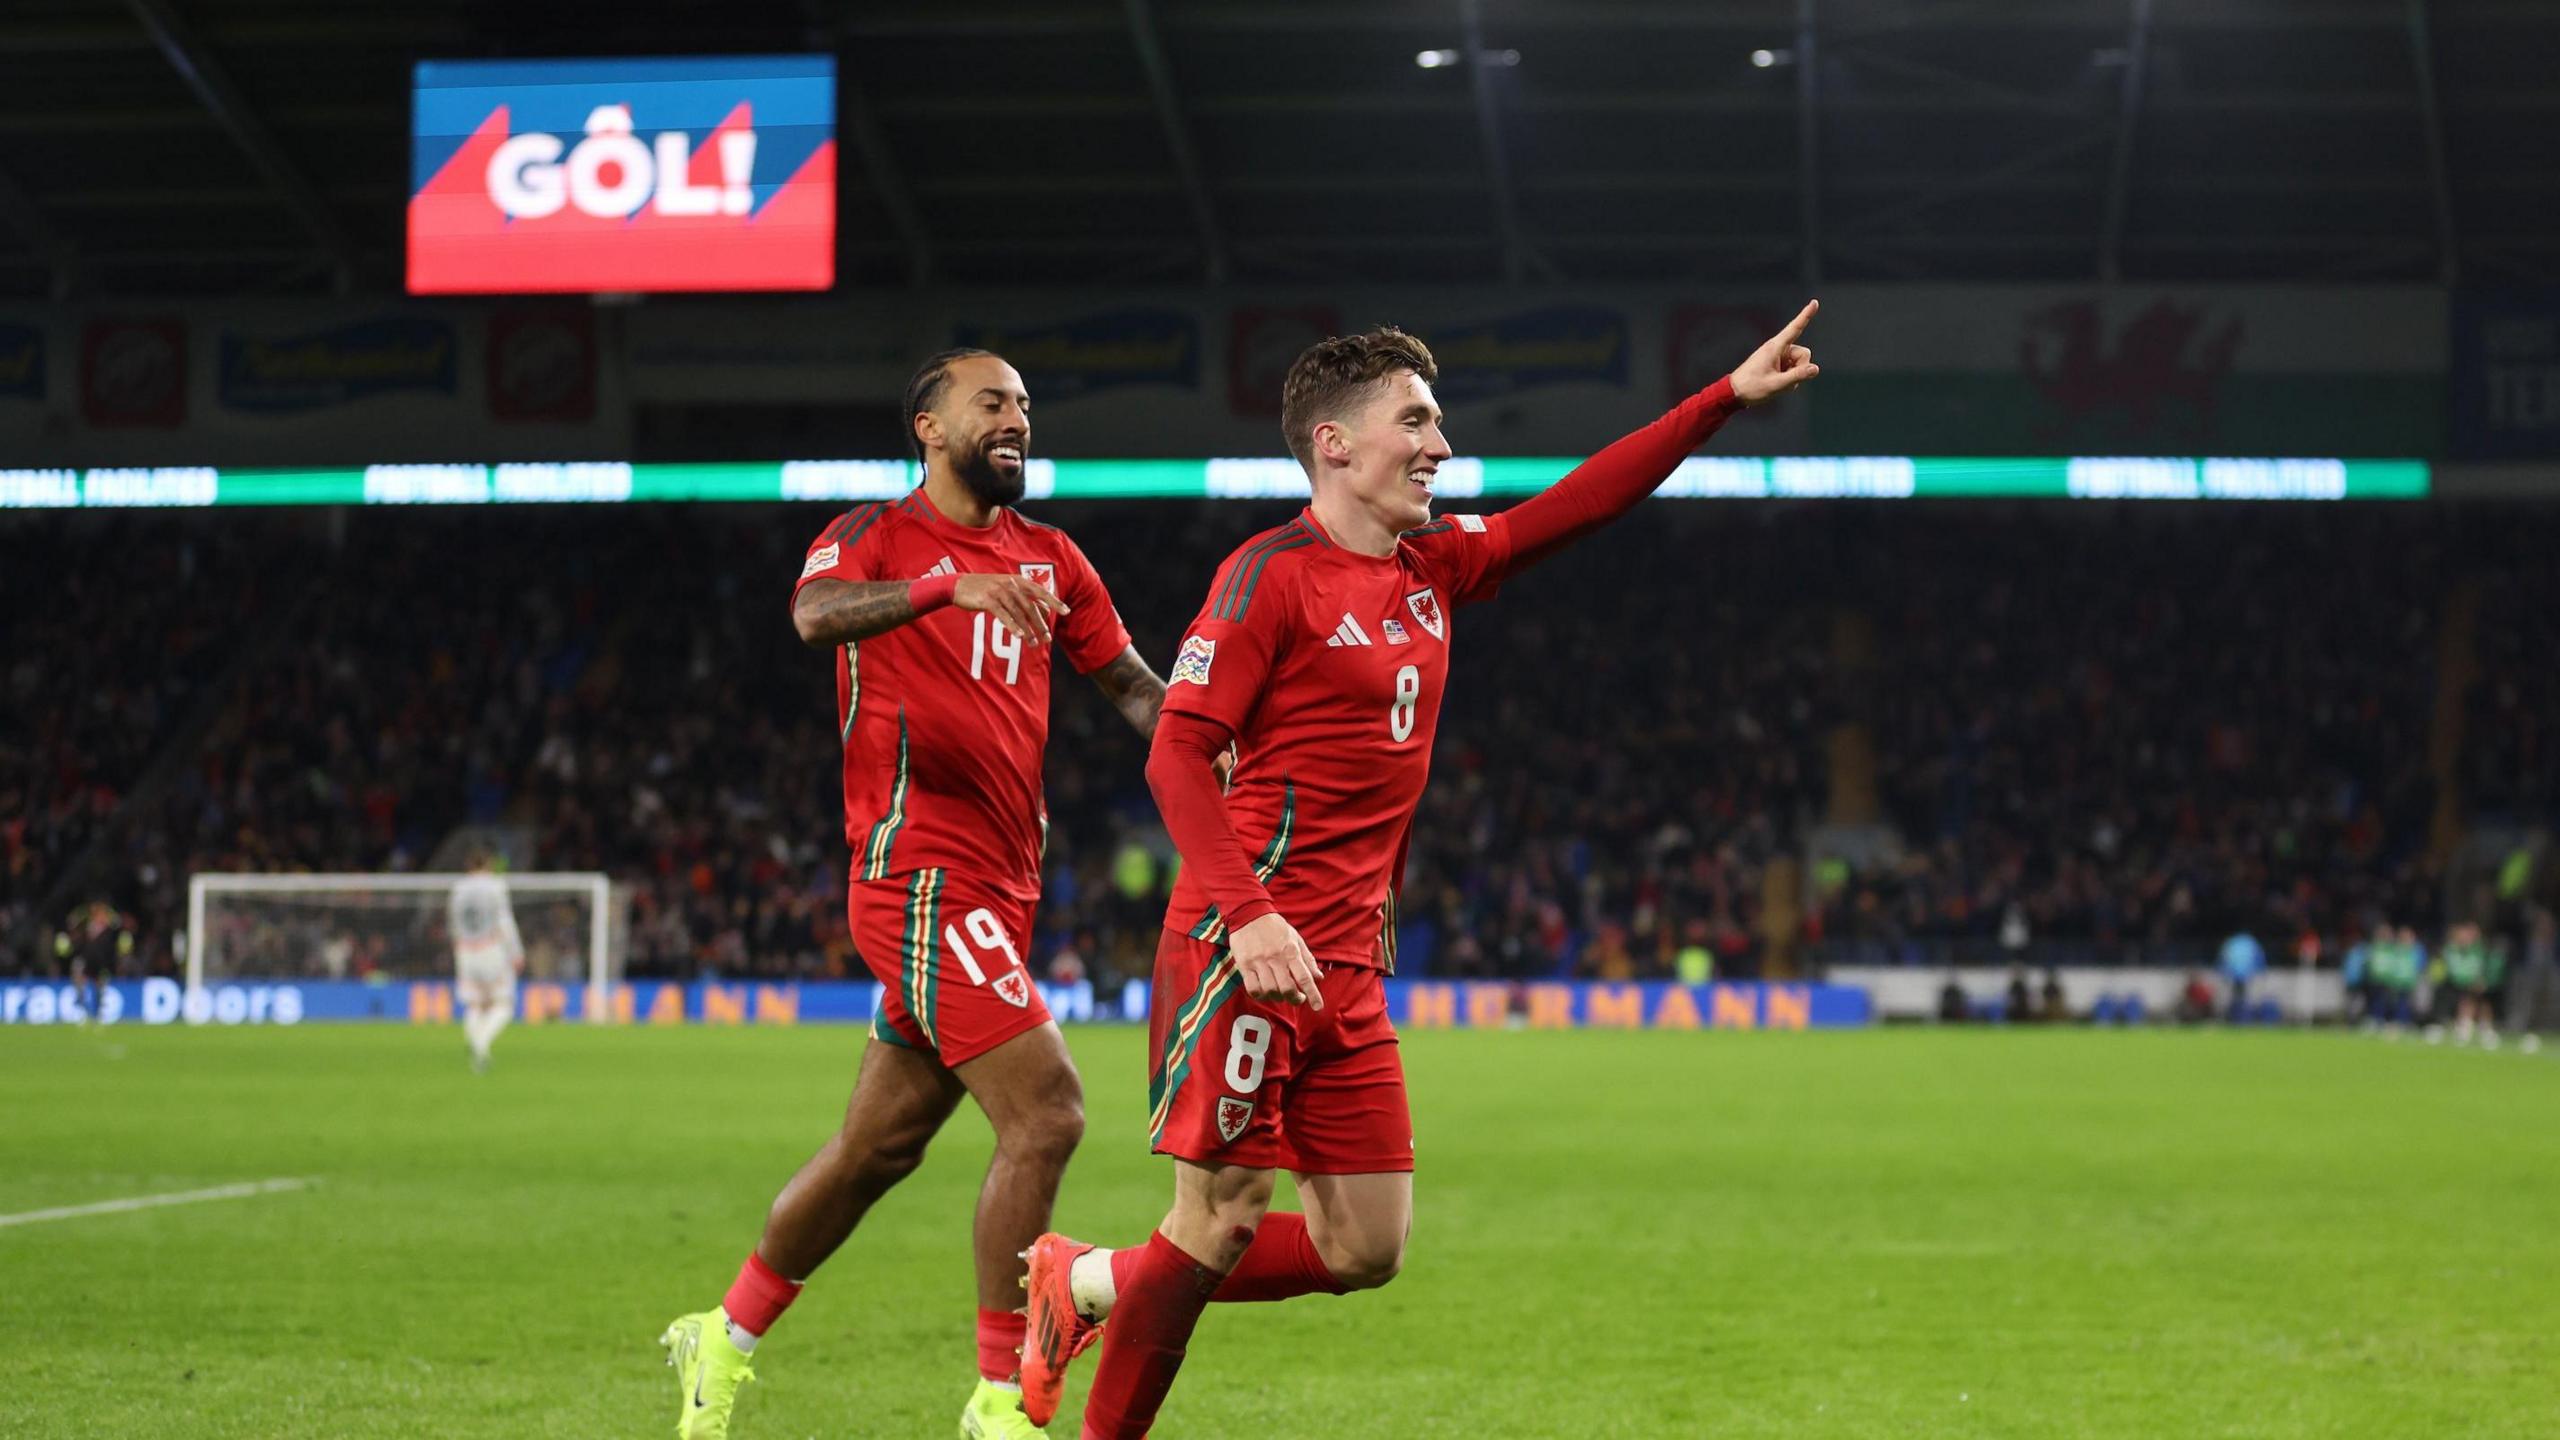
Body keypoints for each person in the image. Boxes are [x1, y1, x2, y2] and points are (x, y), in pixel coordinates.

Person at [1016, 305, 1822, 1437]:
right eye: (1417, 420)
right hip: (1241, 950)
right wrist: (1248, 917)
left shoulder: (1434, 568)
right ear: (1335, 445)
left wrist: (1720, 402)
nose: (1439, 445)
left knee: (1366, 1247)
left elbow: (1578, 503)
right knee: (1219, 1218)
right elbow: (1177, 752)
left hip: (1347, 961)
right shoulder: (1265, 579)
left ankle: (1085, 1282)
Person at [660, 349, 1194, 1440]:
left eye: (1026, 408)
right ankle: (1001, 1400)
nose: (1016, 420)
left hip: (1003, 889)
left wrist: (1219, 743)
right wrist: (949, 586)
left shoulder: (1053, 558)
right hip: (916, 879)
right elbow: (812, 617)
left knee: (874, 1153)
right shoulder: (873, 536)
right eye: (992, 403)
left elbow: (1136, 691)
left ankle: (721, 1337)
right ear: (927, 424)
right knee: (1048, 1114)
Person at [448, 850, 523, 1072]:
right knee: (504, 1004)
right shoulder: (495, 886)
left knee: (475, 1004)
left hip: (464, 950)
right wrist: (516, 952)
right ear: (488, 865)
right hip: (491, 948)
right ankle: (480, 1045)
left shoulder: (458, 889)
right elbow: (505, 921)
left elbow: (452, 923)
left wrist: (457, 947)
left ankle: (476, 1045)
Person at [2218, 928, 2266, 1022]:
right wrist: (2261, 969)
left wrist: (2222, 970)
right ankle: (2242, 1018)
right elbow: (2259, 956)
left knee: (2235, 996)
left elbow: (2223, 957)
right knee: (2244, 997)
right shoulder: (2250, 942)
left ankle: (2235, 1017)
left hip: (2233, 973)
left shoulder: (2231, 942)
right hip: (2247, 973)